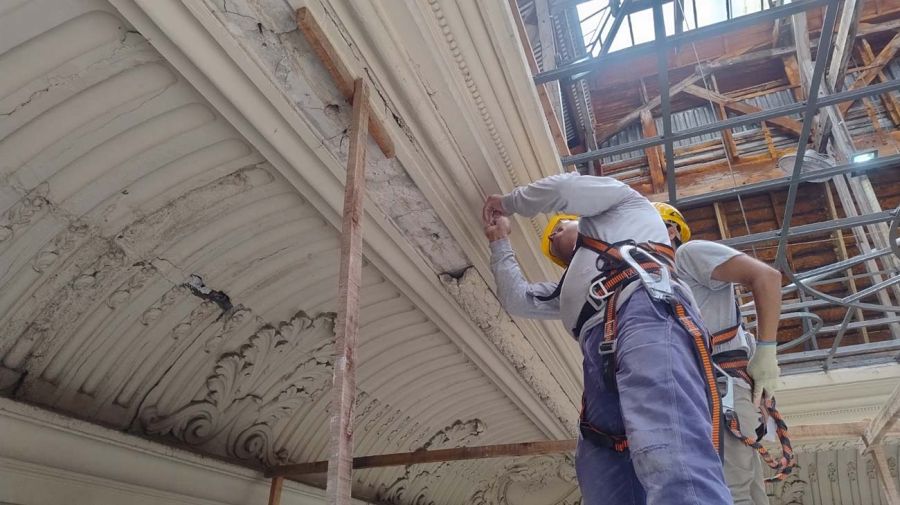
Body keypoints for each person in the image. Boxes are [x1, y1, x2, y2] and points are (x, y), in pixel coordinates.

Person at [482, 172, 731, 505]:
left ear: (584, 219)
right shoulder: (570, 288)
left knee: (671, 455)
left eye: (559, 226)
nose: (553, 234)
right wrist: (500, 242)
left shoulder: (626, 204)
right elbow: (517, 299)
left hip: (645, 313)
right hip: (599, 356)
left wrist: (507, 203)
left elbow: (564, 188)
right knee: (602, 475)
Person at [655, 202, 783, 505]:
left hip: (719, 388)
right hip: (711, 390)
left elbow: (767, 277)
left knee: (728, 492)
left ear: (671, 230)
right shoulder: (661, 284)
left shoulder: (687, 255)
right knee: (745, 492)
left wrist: (766, 351)